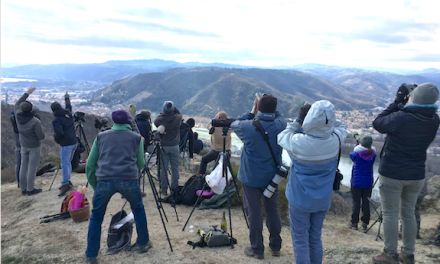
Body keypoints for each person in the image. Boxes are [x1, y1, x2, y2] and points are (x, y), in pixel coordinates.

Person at [372, 83, 439, 264]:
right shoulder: (434, 119)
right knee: (408, 213)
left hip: (393, 173)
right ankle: (408, 254)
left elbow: (378, 123)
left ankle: (390, 254)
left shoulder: (401, 117)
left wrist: (397, 101)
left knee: (391, 213)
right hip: (416, 174)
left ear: (414, 98)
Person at [278, 100, 347, 264]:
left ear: (309, 120)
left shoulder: (299, 142)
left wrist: (298, 120)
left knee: (300, 240)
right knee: (315, 237)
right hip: (322, 200)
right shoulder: (335, 140)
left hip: (299, 199)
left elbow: (282, 136)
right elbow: (341, 127)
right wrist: (327, 116)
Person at [85, 110, 151, 264]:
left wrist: (96, 187)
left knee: (96, 217)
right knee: (138, 210)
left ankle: (91, 255)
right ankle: (143, 243)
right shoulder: (136, 138)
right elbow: (141, 164)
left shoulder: (101, 137)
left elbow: (89, 165)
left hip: (104, 181)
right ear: (129, 122)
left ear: (113, 121)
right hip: (128, 180)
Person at [231, 95, 287, 260]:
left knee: (254, 213)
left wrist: (252, 111)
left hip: (251, 177)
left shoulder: (247, 127)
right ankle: (275, 246)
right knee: (273, 210)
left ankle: (257, 249)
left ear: (258, 107)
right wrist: (268, 111)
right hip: (272, 178)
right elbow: (279, 116)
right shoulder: (280, 125)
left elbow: (235, 123)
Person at [14, 87, 46, 196]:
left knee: (23, 165)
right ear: (31, 109)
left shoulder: (17, 114)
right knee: (32, 167)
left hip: (23, 144)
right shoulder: (35, 121)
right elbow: (41, 136)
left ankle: (23, 188)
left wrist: (27, 93)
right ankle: (30, 189)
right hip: (34, 146)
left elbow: (18, 103)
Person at [51, 92, 78, 196]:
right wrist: (67, 98)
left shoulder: (56, 120)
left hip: (66, 144)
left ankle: (65, 183)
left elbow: (59, 133)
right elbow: (69, 107)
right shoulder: (68, 114)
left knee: (65, 163)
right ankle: (67, 181)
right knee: (68, 163)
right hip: (74, 142)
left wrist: (57, 140)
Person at [154, 101, 182, 196]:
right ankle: (174, 189)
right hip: (175, 145)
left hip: (164, 146)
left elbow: (157, 118)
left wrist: (164, 112)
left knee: (164, 169)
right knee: (175, 168)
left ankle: (164, 189)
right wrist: (173, 108)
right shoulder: (178, 118)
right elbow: (179, 113)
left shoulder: (158, 120)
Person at [348, 135, 376, 232]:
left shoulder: (356, 154)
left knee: (356, 203)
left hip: (356, 182)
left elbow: (351, 155)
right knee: (366, 203)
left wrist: (357, 146)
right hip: (368, 183)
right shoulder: (373, 154)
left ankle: (354, 222)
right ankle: (365, 224)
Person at [198, 111, 231, 175]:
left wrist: (213, 120)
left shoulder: (213, 128)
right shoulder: (229, 129)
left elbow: (208, 126)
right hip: (227, 151)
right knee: (223, 168)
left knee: (204, 160)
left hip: (216, 151)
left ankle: (200, 176)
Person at [10, 110, 21, 188]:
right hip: (23, 140)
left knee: (18, 163)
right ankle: (24, 182)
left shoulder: (12, 118)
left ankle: (19, 181)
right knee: (24, 163)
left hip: (17, 141)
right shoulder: (21, 121)